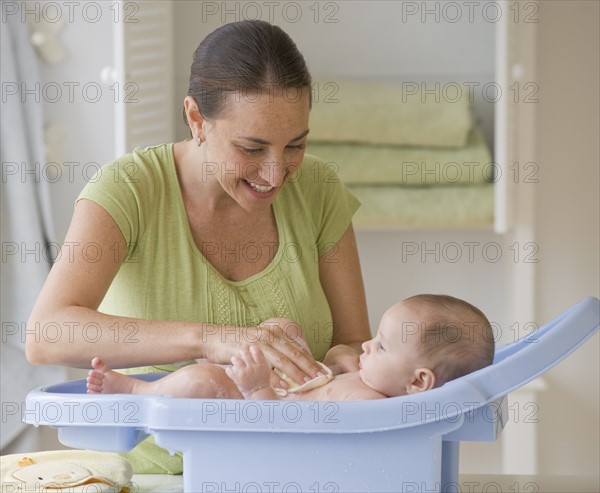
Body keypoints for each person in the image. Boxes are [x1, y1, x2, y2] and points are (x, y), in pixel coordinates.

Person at [25, 20, 370, 473]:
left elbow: (353, 344)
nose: (275, 175)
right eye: (251, 148)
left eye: (295, 146)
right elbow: (47, 334)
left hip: (298, 468)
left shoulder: (319, 188)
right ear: (195, 120)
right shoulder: (129, 189)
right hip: (149, 475)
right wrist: (212, 340)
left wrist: (348, 361)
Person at [86, 295, 495, 401]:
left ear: (418, 381)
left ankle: (133, 390)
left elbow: (288, 427)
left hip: (263, 403)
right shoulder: (379, 386)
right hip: (293, 382)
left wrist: (256, 388)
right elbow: (334, 378)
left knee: (201, 382)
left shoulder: (371, 407)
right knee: (283, 329)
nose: (368, 344)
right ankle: (223, 356)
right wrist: (338, 359)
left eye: (383, 347)